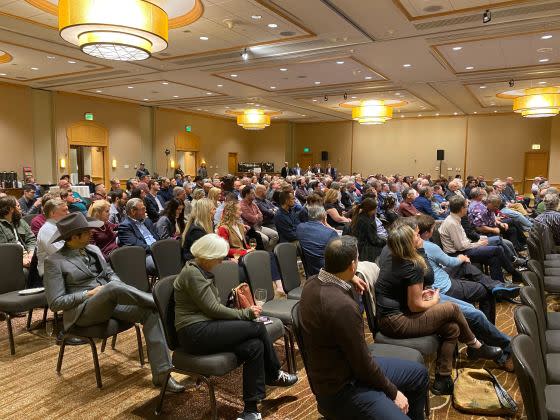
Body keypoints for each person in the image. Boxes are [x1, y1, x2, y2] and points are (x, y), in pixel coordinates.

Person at [43, 212, 184, 392]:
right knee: (113, 288)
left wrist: (114, 283)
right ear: (73, 237)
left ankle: (162, 376)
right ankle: (161, 302)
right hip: (83, 312)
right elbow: (55, 302)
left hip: (110, 301)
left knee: (150, 312)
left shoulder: (93, 250)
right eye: (87, 231)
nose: (92, 233)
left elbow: (110, 273)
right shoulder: (54, 262)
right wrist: (88, 293)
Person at [300, 235, 428, 419]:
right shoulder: (342, 306)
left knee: (419, 374)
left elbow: (326, 275)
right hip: (343, 387)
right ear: (353, 265)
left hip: (338, 370)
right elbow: (362, 365)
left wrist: (350, 278)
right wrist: (393, 392)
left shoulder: (311, 283)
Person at [174, 234, 297, 420]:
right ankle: (273, 373)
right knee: (256, 327)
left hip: (207, 326)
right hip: (193, 333)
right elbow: (213, 308)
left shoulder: (200, 270)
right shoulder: (192, 273)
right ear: (207, 256)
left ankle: (251, 409)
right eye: (219, 258)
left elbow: (212, 309)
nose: (221, 261)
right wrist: (244, 314)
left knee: (254, 347)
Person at [375, 222, 502, 395]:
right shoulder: (412, 265)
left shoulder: (395, 256)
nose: (420, 238)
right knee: (452, 308)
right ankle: (476, 345)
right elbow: (416, 304)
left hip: (394, 315)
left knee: (452, 328)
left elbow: (407, 293)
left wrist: (422, 293)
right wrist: (434, 299)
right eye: (416, 237)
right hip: (395, 322)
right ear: (409, 244)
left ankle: (442, 380)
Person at [417, 215, 517, 371]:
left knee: (471, 262)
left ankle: (496, 285)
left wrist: (461, 258)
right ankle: (495, 343)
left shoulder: (414, 249)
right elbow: (444, 265)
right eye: (414, 236)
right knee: (485, 291)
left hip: (440, 278)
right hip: (442, 287)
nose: (417, 239)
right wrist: (462, 257)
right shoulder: (422, 248)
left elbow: (436, 268)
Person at [440, 196, 522, 282]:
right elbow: (460, 247)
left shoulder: (455, 219)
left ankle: (499, 285)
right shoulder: (452, 223)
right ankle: (514, 273)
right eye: (466, 206)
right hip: (458, 253)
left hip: (465, 248)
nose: (468, 209)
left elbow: (463, 241)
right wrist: (479, 243)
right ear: (461, 209)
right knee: (497, 249)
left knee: (494, 259)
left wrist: (478, 241)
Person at [118, 198, 160, 275]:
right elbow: (138, 246)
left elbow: (157, 237)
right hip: (144, 255)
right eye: (143, 209)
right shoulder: (124, 227)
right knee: (162, 265)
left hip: (157, 250)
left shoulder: (147, 221)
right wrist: (156, 249)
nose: (145, 211)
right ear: (133, 211)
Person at [296, 205, 338, 276]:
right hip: (329, 272)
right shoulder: (331, 233)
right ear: (324, 216)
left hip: (311, 270)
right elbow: (338, 257)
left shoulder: (300, 228)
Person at [346, 197, 386, 262]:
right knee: (386, 249)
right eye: (375, 209)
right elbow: (373, 240)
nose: (376, 210)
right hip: (364, 249)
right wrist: (385, 241)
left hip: (361, 244)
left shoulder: (362, 215)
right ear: (370, 209)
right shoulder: (366, 221)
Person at [0, 196, 36, 269]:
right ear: (11, 209)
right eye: (18, 206)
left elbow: (31, 238)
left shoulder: (20, 221)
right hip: (12, 259)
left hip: (27, 254)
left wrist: (31, 253)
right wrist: (21, 260)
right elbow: (4, 250)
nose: (20, 208)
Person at [36, 198, 69, 277]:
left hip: (64, 268)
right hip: (52, 273)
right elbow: (60, 253)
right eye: (64, 211)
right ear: (52, 213)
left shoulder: (60, 226)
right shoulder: (47, 230)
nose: (68, 213)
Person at [239, 186, 278, 251]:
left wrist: (257, 216)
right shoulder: (242, 205)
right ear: (246, 194)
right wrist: (257, 216)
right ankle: (264, 253)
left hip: (259, 226)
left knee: (275, 235)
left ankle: (267, 251)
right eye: (252, 193)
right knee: (265, 239)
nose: (254, 194)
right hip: (251, 229)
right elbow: (252, 219)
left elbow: (261, 216)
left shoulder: (253, 203)